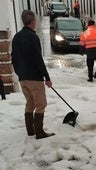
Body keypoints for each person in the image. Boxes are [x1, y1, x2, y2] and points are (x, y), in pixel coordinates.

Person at [11, 10, 55, 139]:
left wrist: (19, 72)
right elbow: (38, 59)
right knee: (41, 104)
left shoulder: (16, 37)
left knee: (30, 103)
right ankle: (39, 132)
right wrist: (47, 77)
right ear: (33, 21)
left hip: (23, 78)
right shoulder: (33, 37)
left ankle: (30, 131)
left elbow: (13, 57)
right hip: (34, 78)